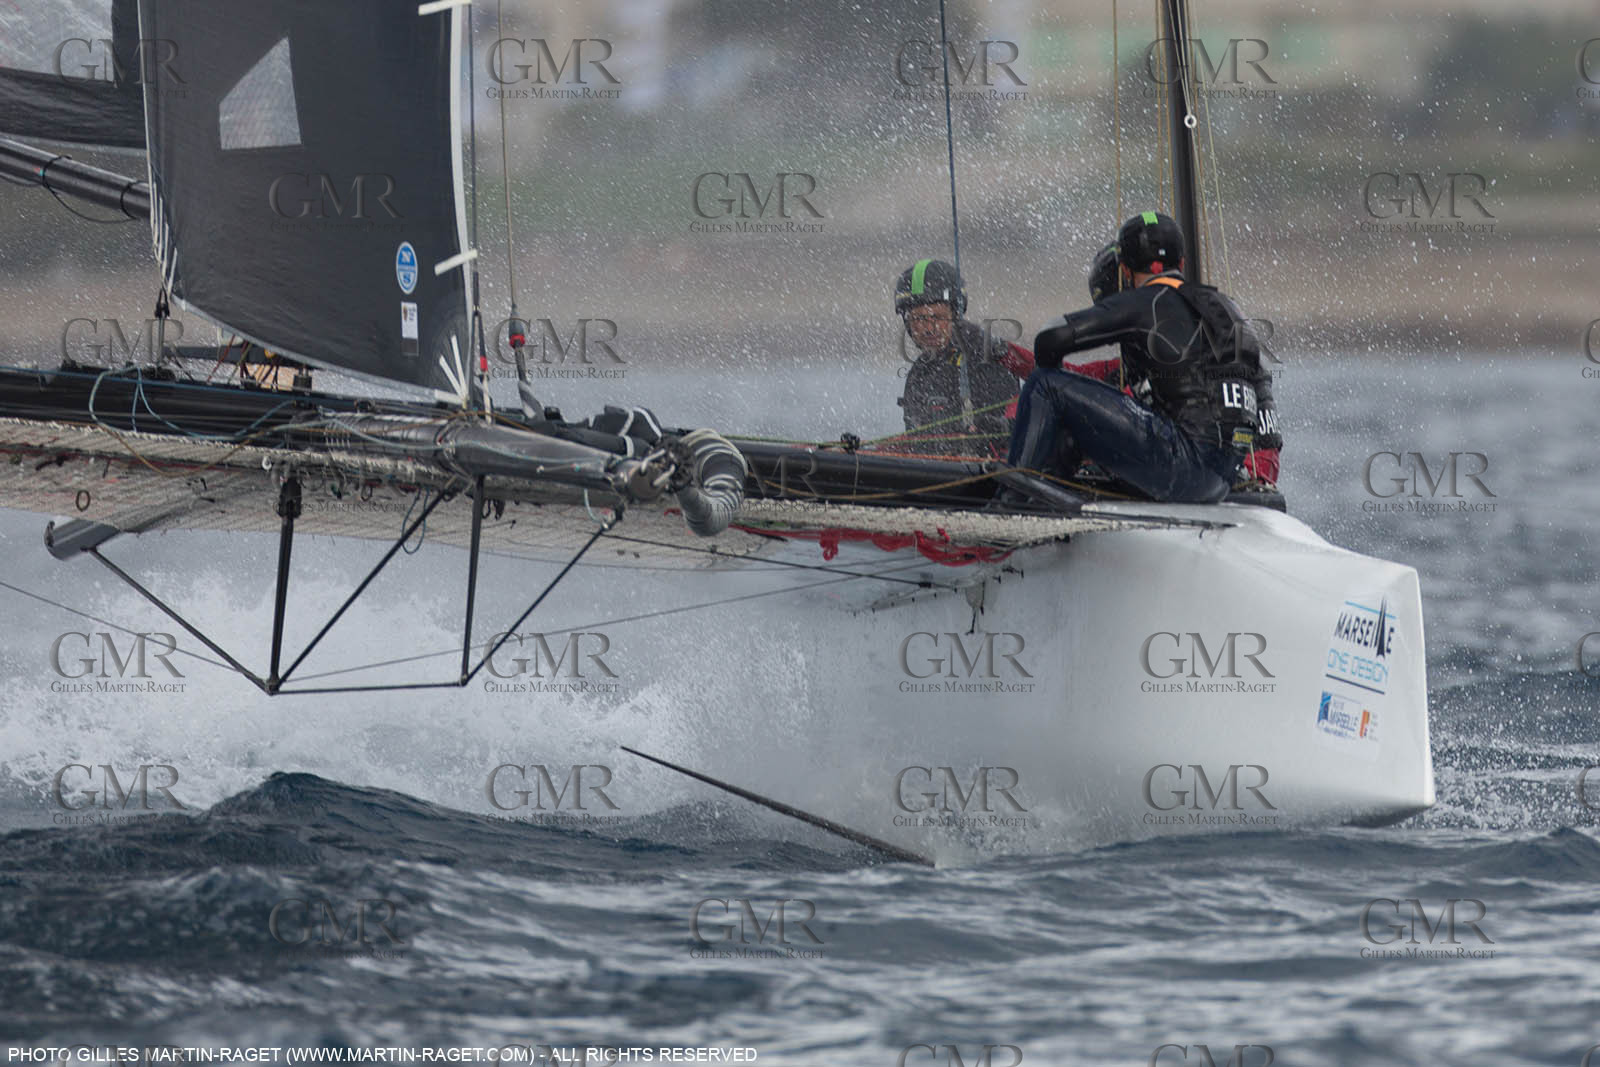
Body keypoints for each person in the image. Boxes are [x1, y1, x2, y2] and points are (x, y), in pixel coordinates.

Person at [1005, 211, 1282, 503]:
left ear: (1125, 271)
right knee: (1073, 423)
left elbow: (1051, 339)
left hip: (1183, 469)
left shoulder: (1148, 302)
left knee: (1046, 385)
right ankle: (1049, 497)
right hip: (1223, 480)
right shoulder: (1228, 309)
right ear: (1182, 263)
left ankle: (1011, 499)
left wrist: (1046, 374)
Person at [894, 258, 1034, 457]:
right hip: (934, 469)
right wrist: (859, 453)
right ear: (907, 322)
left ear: (956, 314)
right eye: (919, 319)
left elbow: (1022, 417)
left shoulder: (987, 357)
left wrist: (1000, 428)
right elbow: (916, 443)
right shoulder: (919, 373)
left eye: (938, 317)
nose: (929, 328)